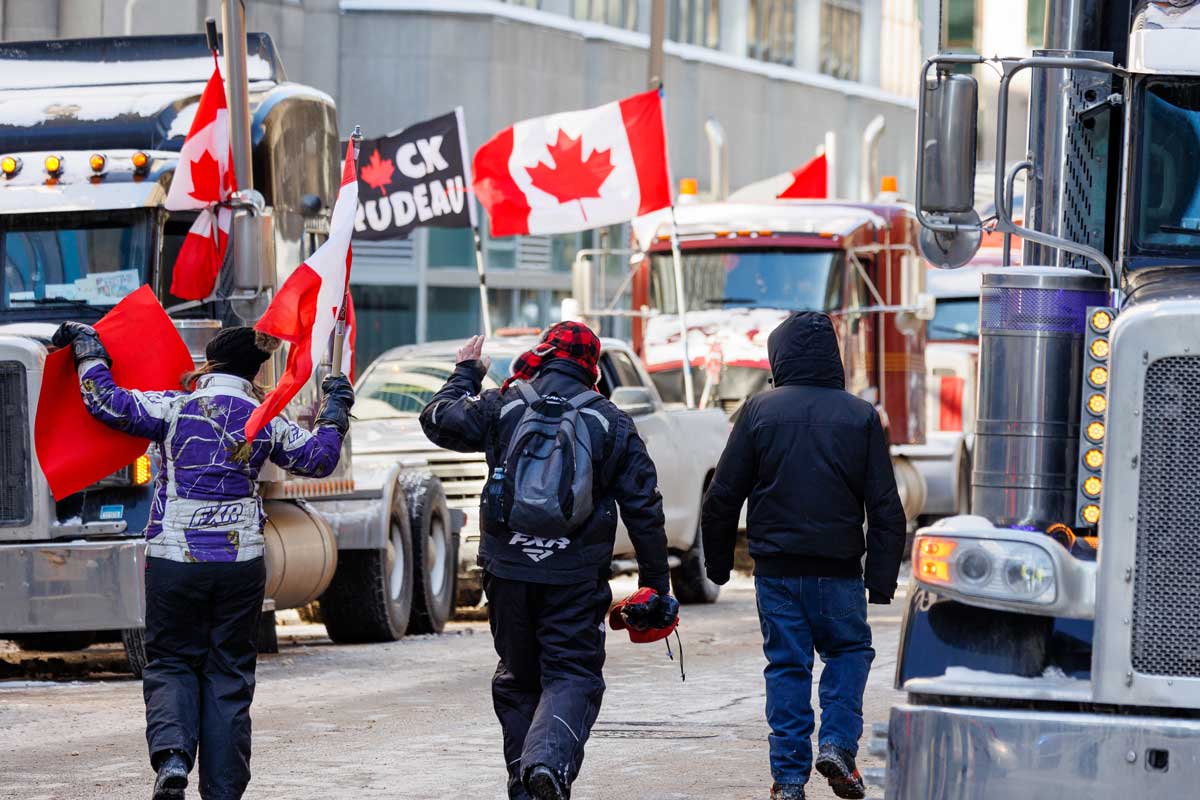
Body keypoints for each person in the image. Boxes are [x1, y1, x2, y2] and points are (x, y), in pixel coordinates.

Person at [52, 322, 354, 800]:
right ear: (254, 372)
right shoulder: (266, 420)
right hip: (241, 565)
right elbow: (319, 459)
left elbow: (104, 401)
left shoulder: (173, 408)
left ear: (210, 364)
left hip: (174, 560)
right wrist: (335, 407)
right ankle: (224, 790)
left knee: (172, 662)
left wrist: (90, 348)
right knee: (228, 673)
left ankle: (172, 758)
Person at [420, 322, 675, 800]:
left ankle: (527, 786)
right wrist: (656, 585)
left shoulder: (505, 403)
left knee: (518, 681)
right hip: (574, 576)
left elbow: (437, 419)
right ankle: (547, 764)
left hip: (506, 571)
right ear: (592, 366)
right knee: (573, 674)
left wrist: (466, 373)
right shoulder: (610, 421)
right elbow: (645, 508)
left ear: (544, 353)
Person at [700, 311, 906, 800]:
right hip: (838, 572)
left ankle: (789, 780)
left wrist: (718, 565)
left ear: (780, 357)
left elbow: (722, 496)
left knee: (787, 666)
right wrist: (880, 581)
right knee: (848, 653)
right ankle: (836, 744)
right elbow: (885, 507)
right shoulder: (860, 416)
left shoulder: (757, 411)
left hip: (776, 571)